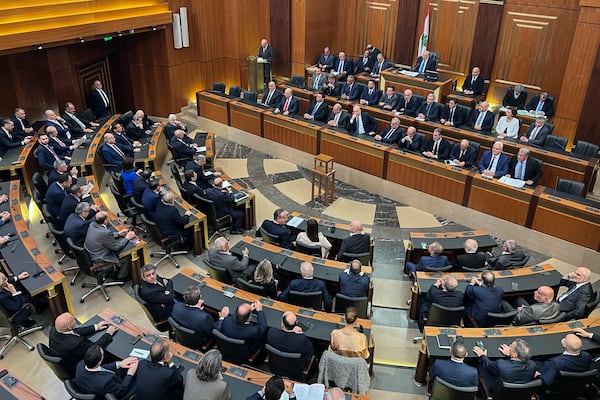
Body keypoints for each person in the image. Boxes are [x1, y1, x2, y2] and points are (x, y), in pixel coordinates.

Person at [49, 312, 117, 376]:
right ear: (69, 327)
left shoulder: (54, 329)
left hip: (66, 357)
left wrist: (96, 327)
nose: (75, 320)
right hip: (76, 366)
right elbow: (93, 350)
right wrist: (108, 334)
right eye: (73, 319)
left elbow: (75, 331)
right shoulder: (75, 344)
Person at [84, 211, 136, 279]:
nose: (109, 219)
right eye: (108, 217)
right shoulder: (105, 233)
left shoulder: (92, 224)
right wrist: (127, 238)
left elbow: (102, 236)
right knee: (126, 256)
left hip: (91, 253)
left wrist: (118, 234)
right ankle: (121, 276)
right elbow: (116, 247)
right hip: (100, 258)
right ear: (105, 221)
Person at [472, 338, 536, 393]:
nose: (509, 346)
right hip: (520, 394)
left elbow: (488, 364)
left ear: (515, 354)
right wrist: (510, 355)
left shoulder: (501, 365)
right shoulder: (533, 365)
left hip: (499, 394)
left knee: (479, 367)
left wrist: (482, 355)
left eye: (511, 346)